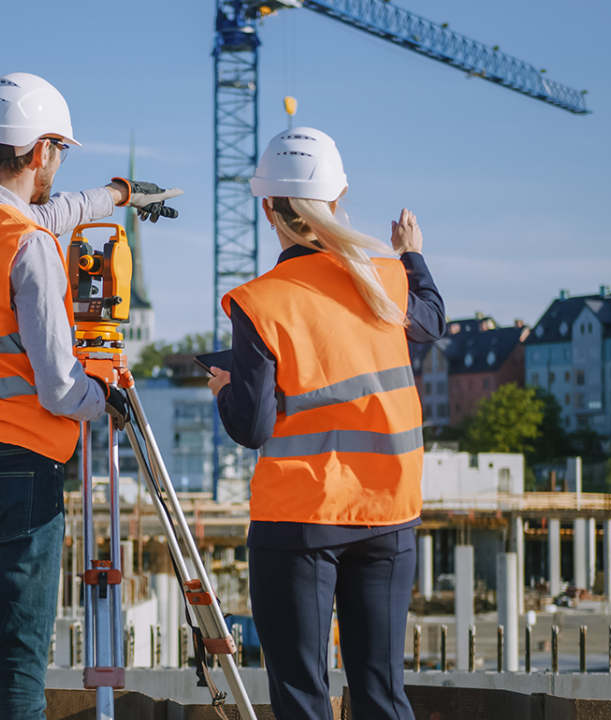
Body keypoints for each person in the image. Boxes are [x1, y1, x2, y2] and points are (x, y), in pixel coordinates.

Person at [0, 72, 180, 720]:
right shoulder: (29, 248)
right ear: (40, 151)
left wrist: (116, 196)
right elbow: (59, 388)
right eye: (58, 150)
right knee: (20, 662)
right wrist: (105, 400)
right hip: (21, 472)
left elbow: (33, 218)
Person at [208, 127, 445, 720]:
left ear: (268, 209)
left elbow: (252, 426)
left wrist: (225, 391)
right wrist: (412, 254)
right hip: (387, 513)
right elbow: (433, 323)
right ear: (336, 200)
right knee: (381, 692)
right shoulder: (386, 278)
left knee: (302, 698)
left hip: (298, 521)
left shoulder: (260, 302)